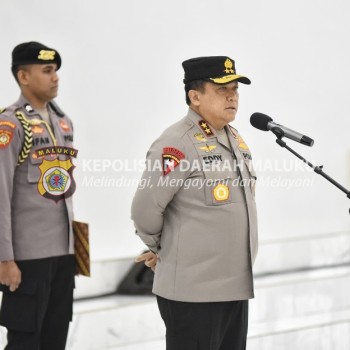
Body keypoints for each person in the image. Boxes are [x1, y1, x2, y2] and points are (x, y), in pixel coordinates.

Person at [132, 56, 258, 350]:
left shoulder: (234, 140)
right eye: (221, 89)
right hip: (194, 293)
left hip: (234, 288)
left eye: (235, 89)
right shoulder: (177, 142)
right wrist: (162, 248)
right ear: (195, 96)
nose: (232, 96)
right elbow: (144, 210)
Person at [0, 41, 77, 350]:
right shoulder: (9, 123)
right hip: (27, 256)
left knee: (55, 338)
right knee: (25, 341)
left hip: (63, 252)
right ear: (24, 76)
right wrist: (4, 258)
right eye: (46, 70)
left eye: (55, 70)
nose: (55, 77)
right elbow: (1, 194)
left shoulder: (62, 121)